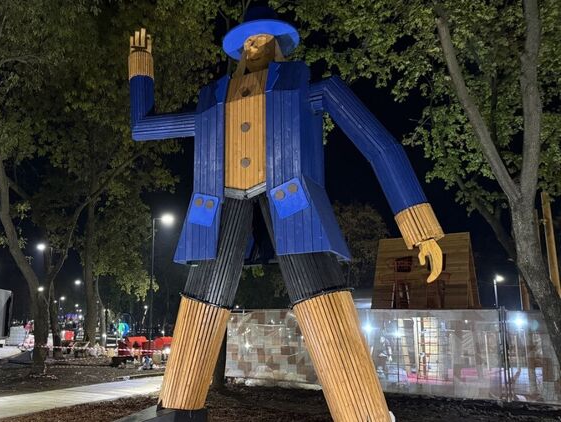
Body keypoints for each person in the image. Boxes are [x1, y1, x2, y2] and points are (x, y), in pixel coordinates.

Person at [127, 6, 444, 421]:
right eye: (246, 41)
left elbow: (380, 145)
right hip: (216, 207)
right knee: (200, 303)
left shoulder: (306, 88)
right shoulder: (212, 101)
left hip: (293, 202)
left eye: (261, 38)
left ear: (278, 45)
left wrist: (419, 228)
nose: (252, 46)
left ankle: (363, 413)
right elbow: (142, 128)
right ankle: (177, 410)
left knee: (323, 301)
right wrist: (141, 73)